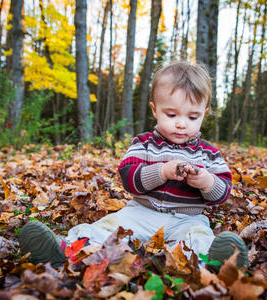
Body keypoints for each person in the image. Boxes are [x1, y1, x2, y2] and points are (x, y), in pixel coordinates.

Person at [19, 61, 248, 272]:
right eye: (171, 114)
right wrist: (162, 171)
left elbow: (223, 191)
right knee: (108, 227)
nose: (181, 123)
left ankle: (217, 265)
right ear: (154, 110)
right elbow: (129, 177)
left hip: (187, 219)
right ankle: (64, 250)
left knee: (198, 238)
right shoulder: (144, 143)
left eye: (192, 117)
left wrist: (207, 182)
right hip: (141, 212)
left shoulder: (208, 153)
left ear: (204, 115)